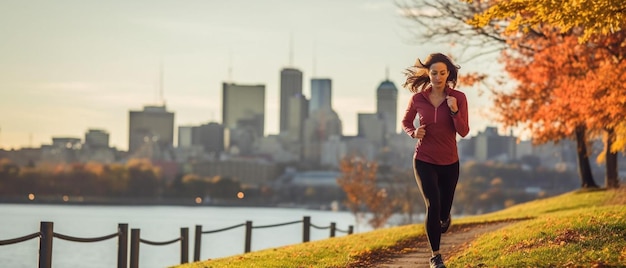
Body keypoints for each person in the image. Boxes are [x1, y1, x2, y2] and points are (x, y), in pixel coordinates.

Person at [401, 53, 470, 268]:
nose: (438, 77)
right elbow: (405, 121)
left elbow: (464, 131)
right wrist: (413, 132)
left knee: (442, 210)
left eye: (442, 73)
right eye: (434, 73)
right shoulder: (418, 99)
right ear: (428, 74)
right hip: (424, 159)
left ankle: (445, 216)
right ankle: (435, 256)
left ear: (448, 74)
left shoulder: (458, 98)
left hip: (450, 162)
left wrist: (454, 111)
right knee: (432, 204)